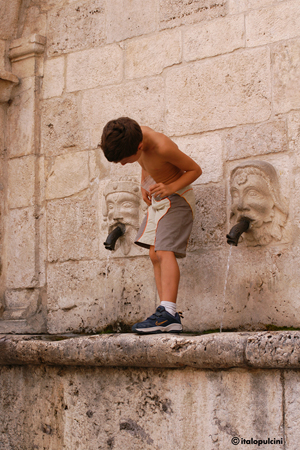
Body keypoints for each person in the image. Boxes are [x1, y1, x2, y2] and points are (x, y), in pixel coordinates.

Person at [100, 117, 202, 334]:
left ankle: (169, 313)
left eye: (124, 160)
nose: (122, 164)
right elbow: (144, 162)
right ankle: (164, 312)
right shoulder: (136, 135)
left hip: (178, 199)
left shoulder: (162, 146)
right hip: (159, 199)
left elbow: (195, 170)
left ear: (139, 146)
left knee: (165, 251)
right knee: (154, 254)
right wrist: (145, 181)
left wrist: (171, 187)